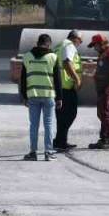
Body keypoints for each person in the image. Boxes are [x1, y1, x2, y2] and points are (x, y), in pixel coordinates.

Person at [18, 33, 62, 161]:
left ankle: (33, 153)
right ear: (48, 44)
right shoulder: (53, 57)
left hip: (33, 96)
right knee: (48, 124)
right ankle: (48, 152)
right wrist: (59, 97)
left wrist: (24, 96)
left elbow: (23, 79)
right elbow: (58, 80)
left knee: (34, 125)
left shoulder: (27, 57)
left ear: (37, 43)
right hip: (48, 96)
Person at [87, 34, 109, 150]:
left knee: (105, 113)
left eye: (95, 45)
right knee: (101, 113)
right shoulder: (104, 53)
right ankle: (104, 138)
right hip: (102, 88)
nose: (94, 48)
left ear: (102, 43)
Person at [53, 29, 83, 152]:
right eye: (80, 40)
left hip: (57, 86)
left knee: (61, 116)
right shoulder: (69, 45)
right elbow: (66, 63)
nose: (80, 43)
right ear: (75, 38)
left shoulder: (59, 45)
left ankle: (60, 141)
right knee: (70, 114)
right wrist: (77, 79)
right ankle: (60, 140)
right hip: (66, 87)